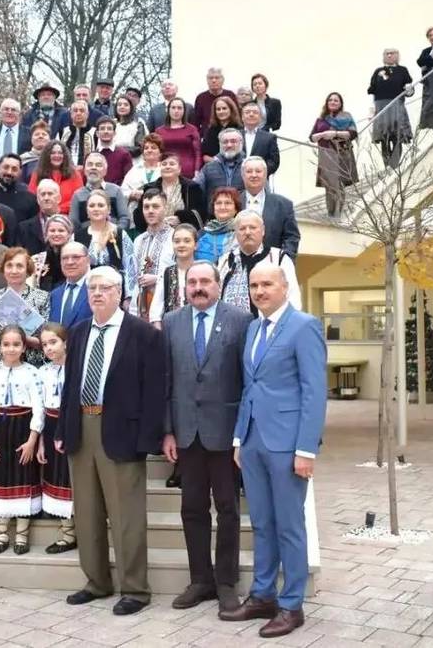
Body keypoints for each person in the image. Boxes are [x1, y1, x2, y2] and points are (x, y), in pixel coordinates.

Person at [218, 266, 327, 638]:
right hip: (253, 442)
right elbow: (249, 388)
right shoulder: (253, 328)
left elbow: (314, 392)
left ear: (284, 287)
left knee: (289, 526)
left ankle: (292, 604)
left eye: (267, 284)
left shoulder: (304, 326)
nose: (259, 291)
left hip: (287, 445)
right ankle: (263, 595)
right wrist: (239, 439)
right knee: (262, 523)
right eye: (254, 285)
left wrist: (306, 449)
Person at [54, 266, 165, 616]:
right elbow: (71, 384)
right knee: (87, 512)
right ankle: (96, 582)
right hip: (81, 427)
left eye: (105, 288)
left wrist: (148, 439)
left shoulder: (142, 333)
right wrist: (62, 429)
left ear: (119, 293)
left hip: (121, 432)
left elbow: (154, 389)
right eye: (93, 288)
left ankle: (135, 589)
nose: (97, 294)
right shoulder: (78, 331)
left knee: (125, 515)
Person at [162, 262, 251, 612]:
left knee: (228, 509)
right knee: (192, 508)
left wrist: (243, 433)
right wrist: (168, 430)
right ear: (185, 286)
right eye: (192, 282)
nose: (198, 287)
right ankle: (200, 580)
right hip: (187, 432)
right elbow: (166, 380)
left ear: (218, 285)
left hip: (225, 433)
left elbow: (247, 380)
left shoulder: (240, 320)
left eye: (204, 281)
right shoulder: (171, 321)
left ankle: (226, 582)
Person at [0, 325, 45, 556]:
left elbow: (39, 409)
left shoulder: (33, 373)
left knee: (23, 475)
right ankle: (2, 533)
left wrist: (32, 440)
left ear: (24, 347)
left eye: (16, 344)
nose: (11, 349)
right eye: (6, 344)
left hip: (23, 428)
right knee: (1, 475)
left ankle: (22, 534)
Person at [38, 323, 76, 553]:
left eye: (53, 342)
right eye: (44, 344)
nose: (49, 348)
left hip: (72, 425)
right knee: (57, 476)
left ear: (65, 342)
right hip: (51, 426)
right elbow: (40, 410)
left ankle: (85, 530)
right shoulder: (43, 372)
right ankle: (68, 533)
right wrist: (41, 441)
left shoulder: (77, 369)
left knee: (73, 478)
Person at [218, 211, 302, 315]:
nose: (247, 232)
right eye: (242, 228)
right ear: (235, 233)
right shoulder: (225, 260)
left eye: (252, 228)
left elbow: (293, 297)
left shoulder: (279, 258)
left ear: (263, 231)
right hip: (229, 323)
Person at [0, 247, 50, 366]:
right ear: (3, 269)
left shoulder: (42, 297)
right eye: (9, 266)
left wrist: (20, 337)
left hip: (34, 366)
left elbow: (46, 340)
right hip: (0, 366)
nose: (14, 271)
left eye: (19, 266)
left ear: (27, 270)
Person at [74, 190, 136, 300]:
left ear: (109, 209)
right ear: (87, 211)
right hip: (86, 294)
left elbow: (130, 267)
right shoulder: (77, 237)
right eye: (92, 206)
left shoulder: (120, 234)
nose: (96, 209)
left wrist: (129, 297)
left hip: (114, 293)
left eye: (101, 205)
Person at [240, 157, 300, 258]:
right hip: (238, 264)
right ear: (242, 175)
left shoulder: (283, 205)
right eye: (249, 171)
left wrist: (283, 260)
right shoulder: (233, 202)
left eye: (258, 171)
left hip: (271, 264)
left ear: (265, 175)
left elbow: (291, 237)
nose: (254, 175)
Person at [310, 92, 359, 217]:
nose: (332, 102)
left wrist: (335, 133)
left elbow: (353, 134)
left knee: (339, 184)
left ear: (340, 103)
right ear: (327, 103)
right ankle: (330, 213)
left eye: (336, 100)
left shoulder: (346, 117)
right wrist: (321, 135)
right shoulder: (320, 120)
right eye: (330, 100)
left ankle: (338, 213)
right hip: (326, 154)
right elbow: (311, 137)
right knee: (329, 185)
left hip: (342, 153)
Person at [129, 190, 174, 319]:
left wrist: (157, 278)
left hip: (167, 303)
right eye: (146, 207)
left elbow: (182, 270)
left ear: (166, 208)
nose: (150, 211)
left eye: (155, 206)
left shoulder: (175, 237)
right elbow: (133, 275)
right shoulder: (139, 240)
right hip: (141, 305)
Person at [368, 49, 414, 169]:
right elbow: (372, 89)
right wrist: (372, 110)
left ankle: (394, 166)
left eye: (392, 53)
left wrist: (409, 90)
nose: (389, 56)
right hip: (381, 106)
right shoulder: (378, 71)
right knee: (384, 138)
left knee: (398, 136)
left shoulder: (402, 70)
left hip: (396, 104)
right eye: (386, 54)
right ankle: (387, 166)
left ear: (397, 56)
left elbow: (409, 89)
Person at [149, 224, 198, 327]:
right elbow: (156, 308)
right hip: (172, 328)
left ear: (196, 245)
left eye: (187, 241)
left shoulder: (203, 271)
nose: (181, 245)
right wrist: (158, 329)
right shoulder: (167, 272)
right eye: (177, 241)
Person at [69, 152, 131, 229]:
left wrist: (115, 233)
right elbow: (74, 223)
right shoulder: (78, 195)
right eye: (90, 164)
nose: (93, 168)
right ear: (84, 170)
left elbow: (125, 219)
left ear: (105, 171)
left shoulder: (116, 191)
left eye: (98, 165)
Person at [149, 151, 206, 231]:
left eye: (172, 164)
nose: (167, 167)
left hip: (184, 232)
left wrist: (180, 218)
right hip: (156, 231)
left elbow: (201, 213)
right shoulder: (149, 188)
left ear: (179, 169)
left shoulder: (192, 187)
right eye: (164, 164)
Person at [28, 142, 85, 215]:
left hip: (68, 216)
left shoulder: (74, 174)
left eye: (60, 153)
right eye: (53, 153)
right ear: (47, 155)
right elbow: (32, 198)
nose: (57, 155)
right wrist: (47, 209)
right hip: (42, 216)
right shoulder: (37, 174)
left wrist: (57, 209)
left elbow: (78, 199)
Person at [195, 128, 246, 212]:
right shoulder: (208, 168)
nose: (229, 145)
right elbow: (195, 189)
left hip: (242, 215)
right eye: (225, 142)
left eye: (233, 141)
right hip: (215, 215)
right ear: (220, 144)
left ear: (241, 143)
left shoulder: (248, 167)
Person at [48, 242, 94, 328]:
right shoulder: (55, 295)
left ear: (88, 260)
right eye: (65, 258)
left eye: (76, 257)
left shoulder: (97, 289)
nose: (70, 262)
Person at [155, 98, 202, 178]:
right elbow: (157, 154)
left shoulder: (192, 129)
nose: (176, 111)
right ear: (168, 110)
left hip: (188, 174)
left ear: (184, 111)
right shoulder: (159, 131)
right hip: (166, 172)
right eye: (173, 108)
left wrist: (197, 171)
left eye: (179, 108)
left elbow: (198, 153)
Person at [122, 133, 164, 218]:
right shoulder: (134, 170)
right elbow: (123, 191)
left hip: (160, 213)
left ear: (160, 152)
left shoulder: (165, 169)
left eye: (153, 148)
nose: (149, 150)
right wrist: (132, 194)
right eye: (146, 148)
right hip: (135, 214)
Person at [18, 178, 62, 256]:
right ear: (38, 200)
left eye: (50, 194)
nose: (46, 198)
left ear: (59, 198)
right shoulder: (24, 228)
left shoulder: (70, 224)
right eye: (43, 194)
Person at [196, 187, 240, 265]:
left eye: (228, 203)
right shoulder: (201, 233)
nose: (222, 207)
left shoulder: (241, 232)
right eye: (218, 203)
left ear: (236, 209)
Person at [32, 214, 74, 293]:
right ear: (46, 234)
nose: (56, 234)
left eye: (61, 231)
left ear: (69, 234)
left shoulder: (77, 258)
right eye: (52, 231)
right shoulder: (37, 259)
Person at [0, 154, 39, 222]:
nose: (9, 172)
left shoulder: (28, 195)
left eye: (14, 169)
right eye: (6, 167)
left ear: (20, 172)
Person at [193, 67, 236, 139]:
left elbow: (236, 116)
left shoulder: (230, 95)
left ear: (223, 80)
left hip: (230, 136)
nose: (214, 80)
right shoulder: (200, 98)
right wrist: (200, 136)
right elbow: (196, 122)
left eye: (217, 78)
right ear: (207, 80)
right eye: (211, 78)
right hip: (208, 137)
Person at [239, 101, 280, 175]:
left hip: (259, 178)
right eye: (247, 112)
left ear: (260, 118)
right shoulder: (234, 135)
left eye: (255, 112)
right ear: (242, 117)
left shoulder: (269, 137)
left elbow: (274, 162)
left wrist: (259, 172)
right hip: (236, 178)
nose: (251, 114)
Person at [94, 117, 134, 185]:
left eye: (109, 129)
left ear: (114, 133)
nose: (106, 131)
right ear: (97, 133)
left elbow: (129, 179)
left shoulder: (124, 154)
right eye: (102, 128)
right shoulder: (92, 156)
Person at [57, 100, 97, 167]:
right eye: (75, 111)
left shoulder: (95, 133)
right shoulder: (62, 132)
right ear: (71, 114)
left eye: (82, 111)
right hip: (65, 170)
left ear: (87, 114)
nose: (78, 113)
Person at [201, 96, 243, 161]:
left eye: (224, 108)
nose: (221, 111)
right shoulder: (211, 130)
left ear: (231, 109)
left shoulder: (240, 129)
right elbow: (205, 156)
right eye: (218, 109)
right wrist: (218, 162)